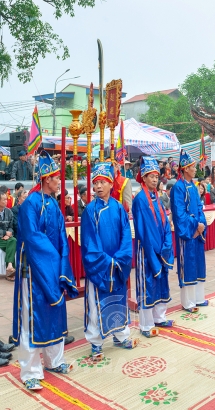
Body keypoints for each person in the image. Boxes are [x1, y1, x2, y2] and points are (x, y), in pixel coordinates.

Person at [12, 151, 77, 390]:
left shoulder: (53, 204)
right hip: (34, 272)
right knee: (33, 320)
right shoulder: (31, 204)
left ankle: (54, 360)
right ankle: (30, 371)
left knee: (54, 314)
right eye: (56, 177)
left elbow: (61, 238)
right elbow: (33, 239)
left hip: (51, 270)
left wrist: (61, 266)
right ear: (46, 178)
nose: (59, 180)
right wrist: (50, 265)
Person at [81, 161, 137, 360]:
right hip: (101, 267)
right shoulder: (90, 210)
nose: (98, 186)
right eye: (95, 182)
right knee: (96, 304)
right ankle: (96, 342)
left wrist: (119, 260)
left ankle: (120, 336)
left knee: (118, 301)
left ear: (111, 183)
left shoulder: (119, 208)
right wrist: (106, 262)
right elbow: (89, 243)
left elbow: (125, 237)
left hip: (117, 264)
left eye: (102, 182)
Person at [170, 150, 208, 313]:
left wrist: (201, 224)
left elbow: (199, 207)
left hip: (196, 232)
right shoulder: (178, 188)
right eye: (192, 167)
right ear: (185, 169)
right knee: (188, 265)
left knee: (198, 264)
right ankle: (188, 302)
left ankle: (199, 298)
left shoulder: (193, 186)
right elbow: (179, 214)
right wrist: (195, 226)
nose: (195, 169)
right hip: (188, 233)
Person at [0, 191, 15, 281]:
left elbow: (11, 226)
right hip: (1, 238)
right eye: (4, 200)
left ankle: (9, 265)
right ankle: (9, 271)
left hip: (7, 238)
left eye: (6, 199)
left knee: (13, 240)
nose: (6, 201)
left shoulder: (9, 211)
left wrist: (9, 233)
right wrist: (5, 233)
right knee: (12, 242)